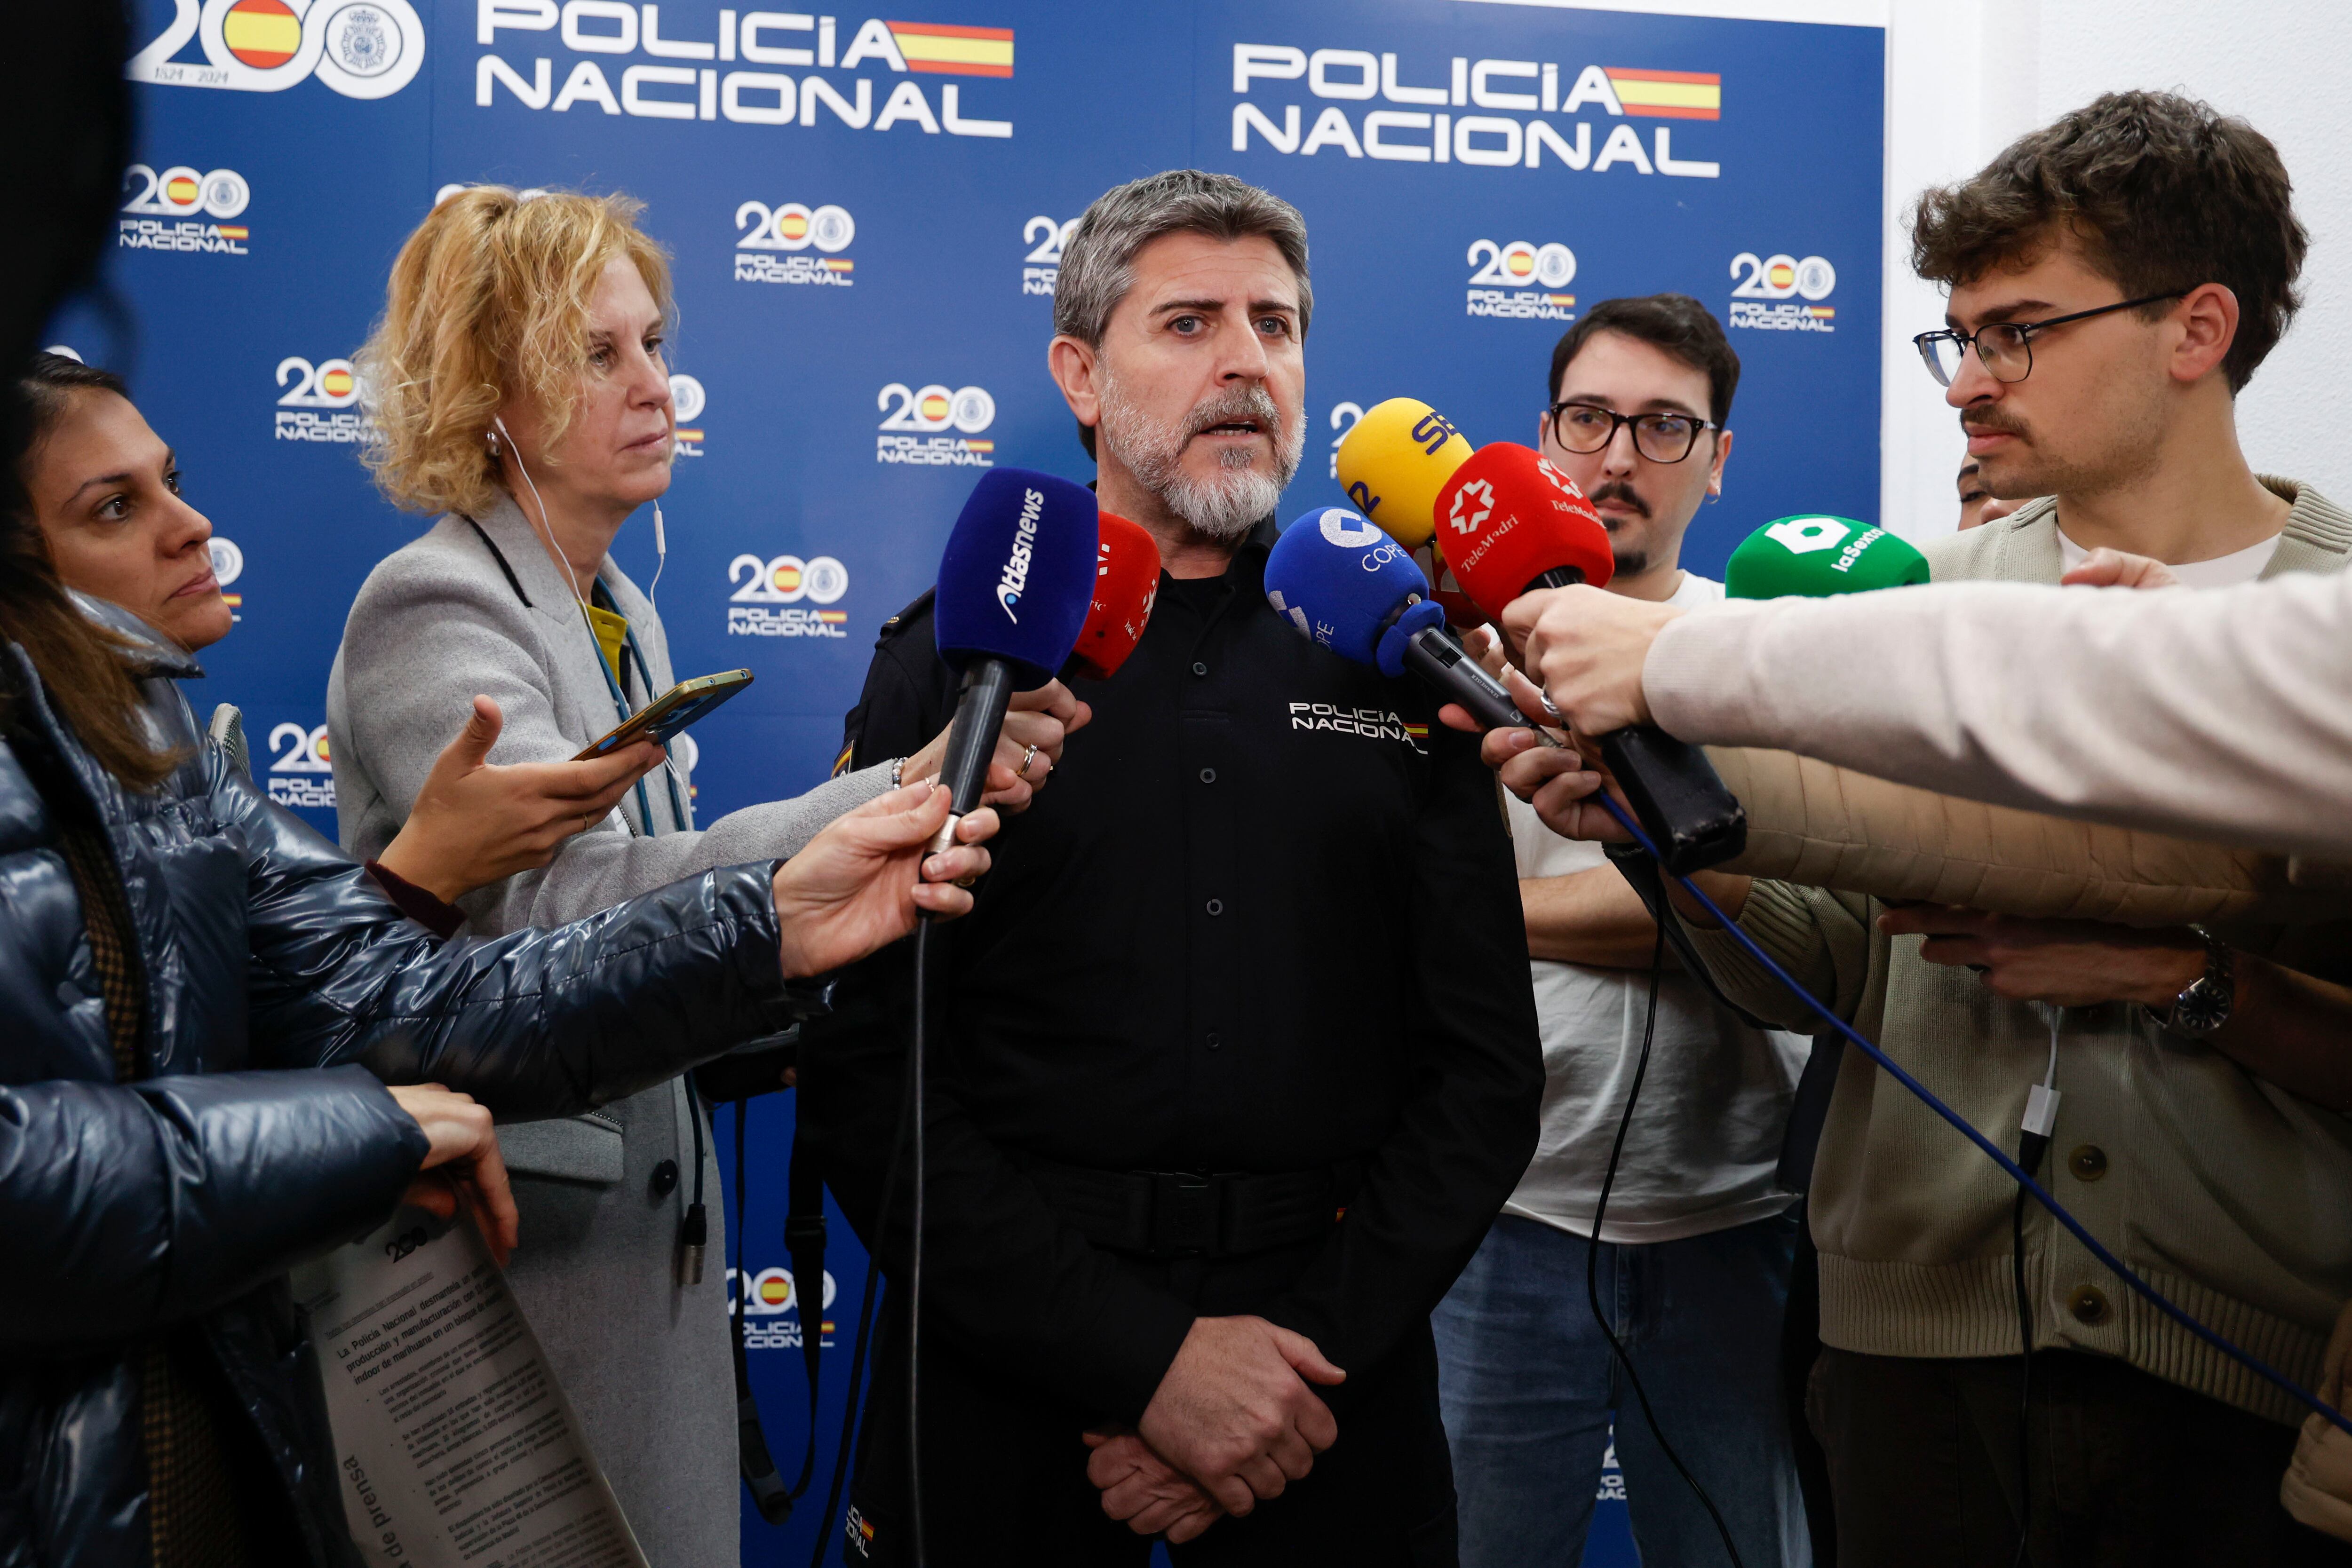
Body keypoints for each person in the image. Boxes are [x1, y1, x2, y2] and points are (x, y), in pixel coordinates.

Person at [1492, 92, 2352, 1565]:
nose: (1968, 381)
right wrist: (1670, 848)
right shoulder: (1896, 595)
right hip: (1912, 1364)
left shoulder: (2327, 625)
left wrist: (2197, 981)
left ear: (2196, 329)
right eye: (1957, 336)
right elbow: (1812, 970)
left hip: (2241, 1378)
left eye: (2018, 331)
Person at [326, 185, 1079, 1564]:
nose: (655, 385)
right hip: (520, 1271)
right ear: (488, 388)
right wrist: (896, 788)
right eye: (597, 354)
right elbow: (560, 910)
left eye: (655, 343)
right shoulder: (436, 599)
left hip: (636, 1254)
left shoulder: (623, 607)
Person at [803, 168, 1542, 1561]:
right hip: (1007, 1368)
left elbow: (1487, 1073)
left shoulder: (1397, 651)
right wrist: (1148, 1366)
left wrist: (1287, 1374)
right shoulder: (959, 662)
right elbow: (868, 1079)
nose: (1246, 362)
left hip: (1330, 1382)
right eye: (1190, 323)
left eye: (1275, 323)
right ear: (1081, 374)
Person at [1430, 295, 1811, 1567]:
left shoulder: (1766, 650)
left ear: (1719, 458)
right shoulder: (1443, 659)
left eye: (1664, 426)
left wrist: (1494, 921)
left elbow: (1751, 920)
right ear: (1543, 435)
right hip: (1501, 1223)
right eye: (1590, 418)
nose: (1618, 457)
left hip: (1734, 1224)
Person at [14, 350, 662, 925]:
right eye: (116, 508)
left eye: (173, 482)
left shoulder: (177, 750)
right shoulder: (433, 592)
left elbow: (276, 1003)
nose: (195, 524)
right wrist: (431, 857)